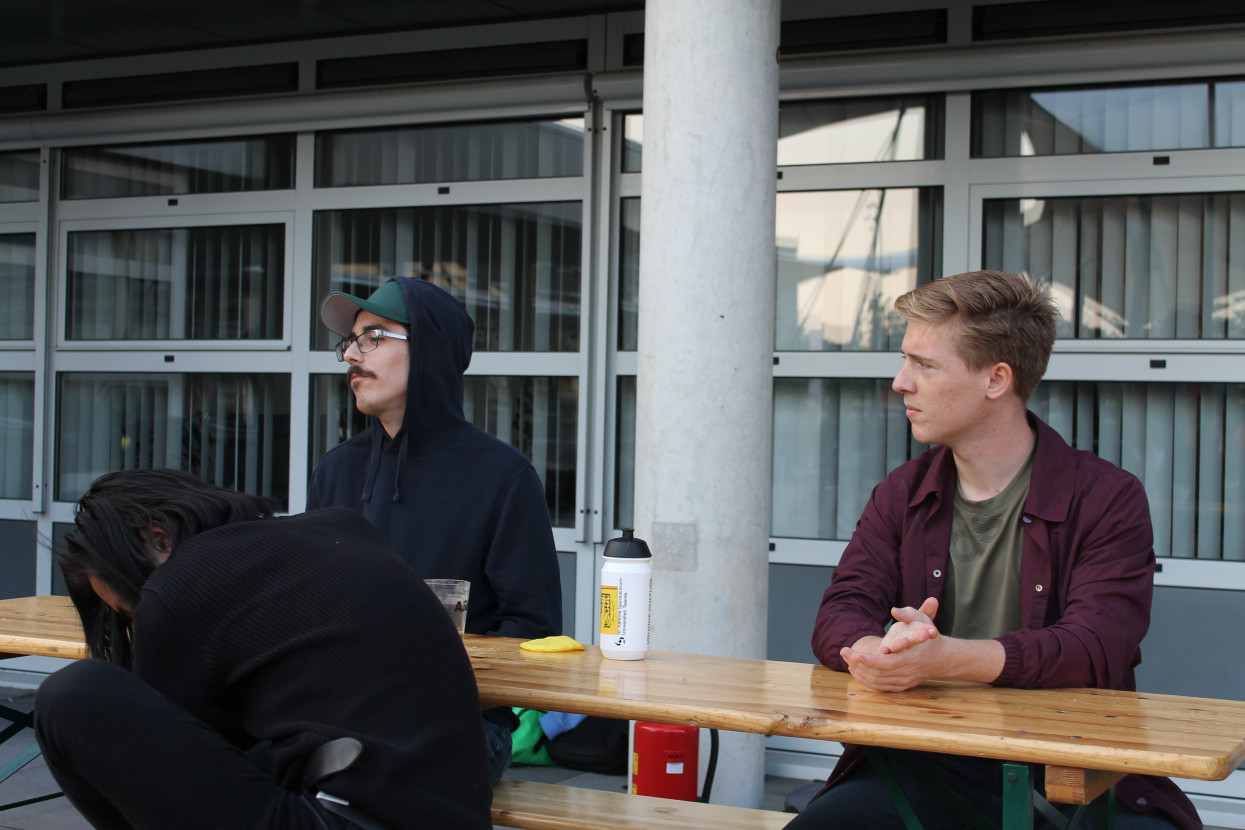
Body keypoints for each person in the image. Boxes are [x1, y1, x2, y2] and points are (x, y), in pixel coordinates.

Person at [787, 271, 1200, 830]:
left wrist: (942, 658)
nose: (900, 383)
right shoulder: (903, 491)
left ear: (997, 379)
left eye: (924, 364)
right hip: (922, 759)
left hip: (1070, 764)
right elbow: (841, 609)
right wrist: (875, 652)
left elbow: (1096, 645)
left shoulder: (1106, 496)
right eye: (905, 360)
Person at [36, 469, 492, 830]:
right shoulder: (342, 527)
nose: (141, 617)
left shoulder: (176, 591)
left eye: (132, 608)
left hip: (345, 818)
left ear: (158, 539)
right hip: (451, 809)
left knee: (73, 696)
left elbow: (173, 779)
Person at [307, 276, 563, 784]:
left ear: (428, 350)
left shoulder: (502, 476)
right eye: (350, 342)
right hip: (341, 718)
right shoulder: (335, 471)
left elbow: (533, 630)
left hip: (458, 727)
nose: (351, 357)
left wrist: (435, 666)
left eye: (373, 337)